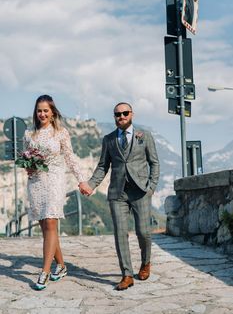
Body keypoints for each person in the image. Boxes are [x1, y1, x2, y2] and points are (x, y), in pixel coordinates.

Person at [80, 102, 160, 290]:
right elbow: (102, 166)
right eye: (117, 114)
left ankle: (145, 263)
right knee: (120, 234)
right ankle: (126, 274)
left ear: (131, 114)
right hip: (117, 193)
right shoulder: (108, 140)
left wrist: (151, 187)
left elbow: (154, 163)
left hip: (141, 191)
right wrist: (91, 185)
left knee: (143, 232)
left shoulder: (144, 136)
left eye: (124, 113)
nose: (121, 116)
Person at [23, 94, 90, 290]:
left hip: (54, 179)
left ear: (52, 113)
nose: (42, 113)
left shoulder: (61, 133)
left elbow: (70, 158)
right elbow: (27, 158)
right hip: (36, 182)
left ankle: (44, 271)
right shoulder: (29, 134)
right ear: (36, 113)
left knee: (51, 221)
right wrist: (28, 167)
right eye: (39, 110)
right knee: (46, 227)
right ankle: (61, 266)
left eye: (45, 110)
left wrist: (82, 180)